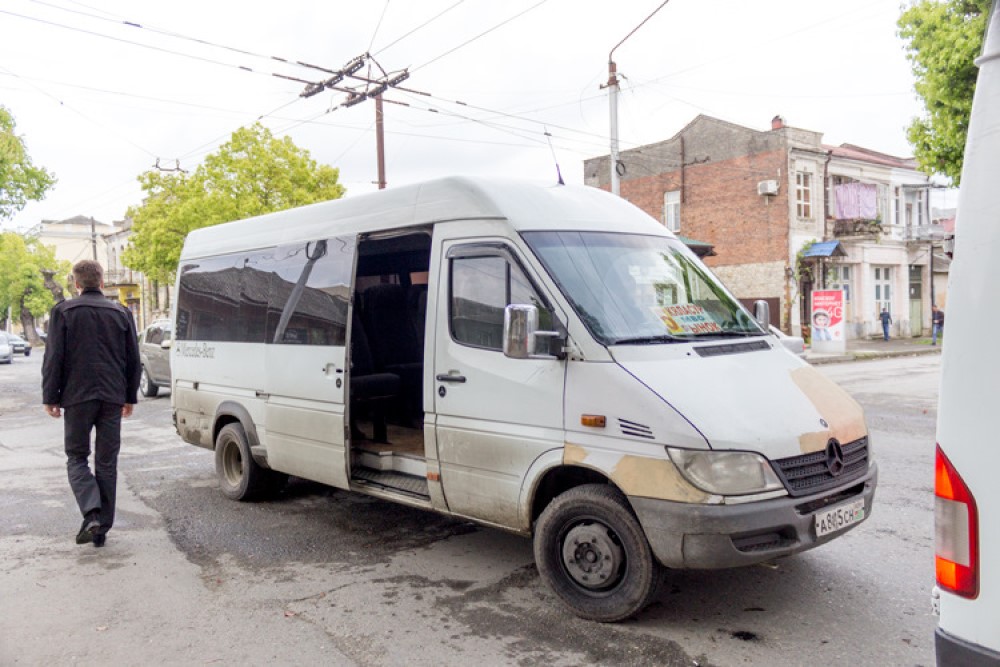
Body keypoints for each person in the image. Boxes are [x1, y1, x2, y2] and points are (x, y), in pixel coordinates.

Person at [42, 260, 140, 548]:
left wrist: (50, 396)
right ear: (101, 282)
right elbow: (132, 359)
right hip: (111, 396)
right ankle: (100, 529)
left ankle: (92, 513)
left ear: (76, 283)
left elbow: (53, 358)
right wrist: (129, 396)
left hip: (76, 397)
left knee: (76, 457)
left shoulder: (63, 312)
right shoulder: (122, 312)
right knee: (107, 462)